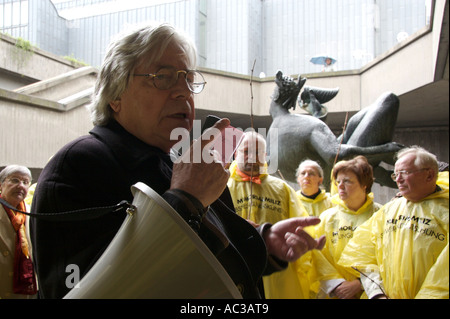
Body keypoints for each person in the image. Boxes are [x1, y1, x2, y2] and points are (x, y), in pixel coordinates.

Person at [30, 23, 325, 299]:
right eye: (163, 77)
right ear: (115, 93)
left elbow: (210, 258)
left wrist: (264, 240)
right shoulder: (77, 167)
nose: (183, 91)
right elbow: (84, 290)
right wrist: (184, 202)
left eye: (188, 78)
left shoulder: (182, 164)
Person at [339, 146, 449, 299]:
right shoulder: (388, 210)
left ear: (429, 175)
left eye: (404, 173)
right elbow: (365, 256)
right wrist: (377, 294)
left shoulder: (445, 211)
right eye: (395, 174)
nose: (398, 179)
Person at [227, 131, 320, 299]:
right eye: (247, 151)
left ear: (265, 156)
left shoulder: (282, 189)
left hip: (278, 275)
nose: (252, 157)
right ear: (236, 153)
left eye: (258, 153)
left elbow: (302, 231)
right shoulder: (221, 187)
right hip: (233, 272)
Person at [312, 156, 382, 299]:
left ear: (365, 185)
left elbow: (388, 257)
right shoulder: (327, 218)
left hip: (374, 293)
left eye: (347, 181)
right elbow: (317, 255)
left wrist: (359, 283)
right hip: (336, 294)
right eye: (338, 182)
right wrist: (337, 284)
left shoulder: (381, 215)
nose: (340, 186)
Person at [0, 165, 37, 299]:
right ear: (1, 185)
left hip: (25, 287)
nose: (21, 185)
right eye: (15, 180)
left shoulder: (32, 213)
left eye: (25, 182)